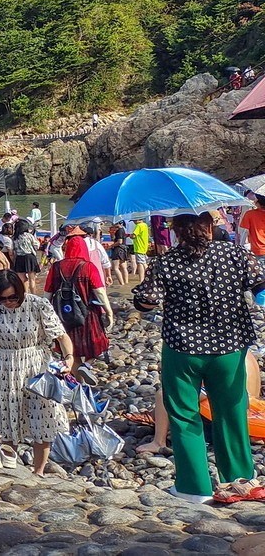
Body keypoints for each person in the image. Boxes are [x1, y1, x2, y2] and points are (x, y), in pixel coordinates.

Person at [133, 212, 265, 503]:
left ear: (176, 231)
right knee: (230, 412)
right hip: (229, 347)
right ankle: (240, 479)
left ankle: (194, 489)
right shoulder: (233, 253)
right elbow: (261, 288)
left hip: (183, 348)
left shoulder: (165, 262)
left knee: (184, 415)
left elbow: (145, 302)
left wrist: (148, 296)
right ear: (208, 226)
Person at [0, 271, 75, 476]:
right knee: (8, 418)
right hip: (6, 366)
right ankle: (9, 468)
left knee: (43, 417)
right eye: (2, 299)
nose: (8, 302)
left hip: (37, 365)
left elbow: (61, 335)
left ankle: (38, 471)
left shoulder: (37, 304)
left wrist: (69, 358)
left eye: (13, 297)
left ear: (21, 291)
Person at [137, 353, 262, 454]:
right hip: (238, 422)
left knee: (163, 394)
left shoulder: (204, 356)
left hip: (213, 429)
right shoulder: (240, 353)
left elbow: (198, 395)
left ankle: (159, 442)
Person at [44, 234, 114, 384]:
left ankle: (80, 385)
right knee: (99, 343)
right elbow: (99, 292)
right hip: (87, 314)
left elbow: (47, 294)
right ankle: (87, 364)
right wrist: (109, 312)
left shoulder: (56, 267)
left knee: (71, 351)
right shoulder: (88, 266)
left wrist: (44, 316)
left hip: (63, 315)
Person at [12, 219, 41, 293]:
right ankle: (33, 295)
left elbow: (13, 249)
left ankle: (24, 295)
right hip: (29, 257)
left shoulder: (14, 237)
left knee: (22, 279)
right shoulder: (29, 236)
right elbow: (36, 246)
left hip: (19, 258)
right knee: (32, 279)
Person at [239, 194, 265, 267]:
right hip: (258, 251)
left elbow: (245, 231)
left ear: (258, 203)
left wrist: (240, 246)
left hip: (258, 250)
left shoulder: (250, 214)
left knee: (259, 274)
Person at [131, 218, 151, 282]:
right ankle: (149, 277)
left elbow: (134, 235)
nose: (134, 222)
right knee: (143, 262)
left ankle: (142, 279)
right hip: (144, 246)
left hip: (139, 247)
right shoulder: (145, 225)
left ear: (138, 219)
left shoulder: (139, 225)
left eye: (134, 220)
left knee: (140, 263)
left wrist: (129, 236)